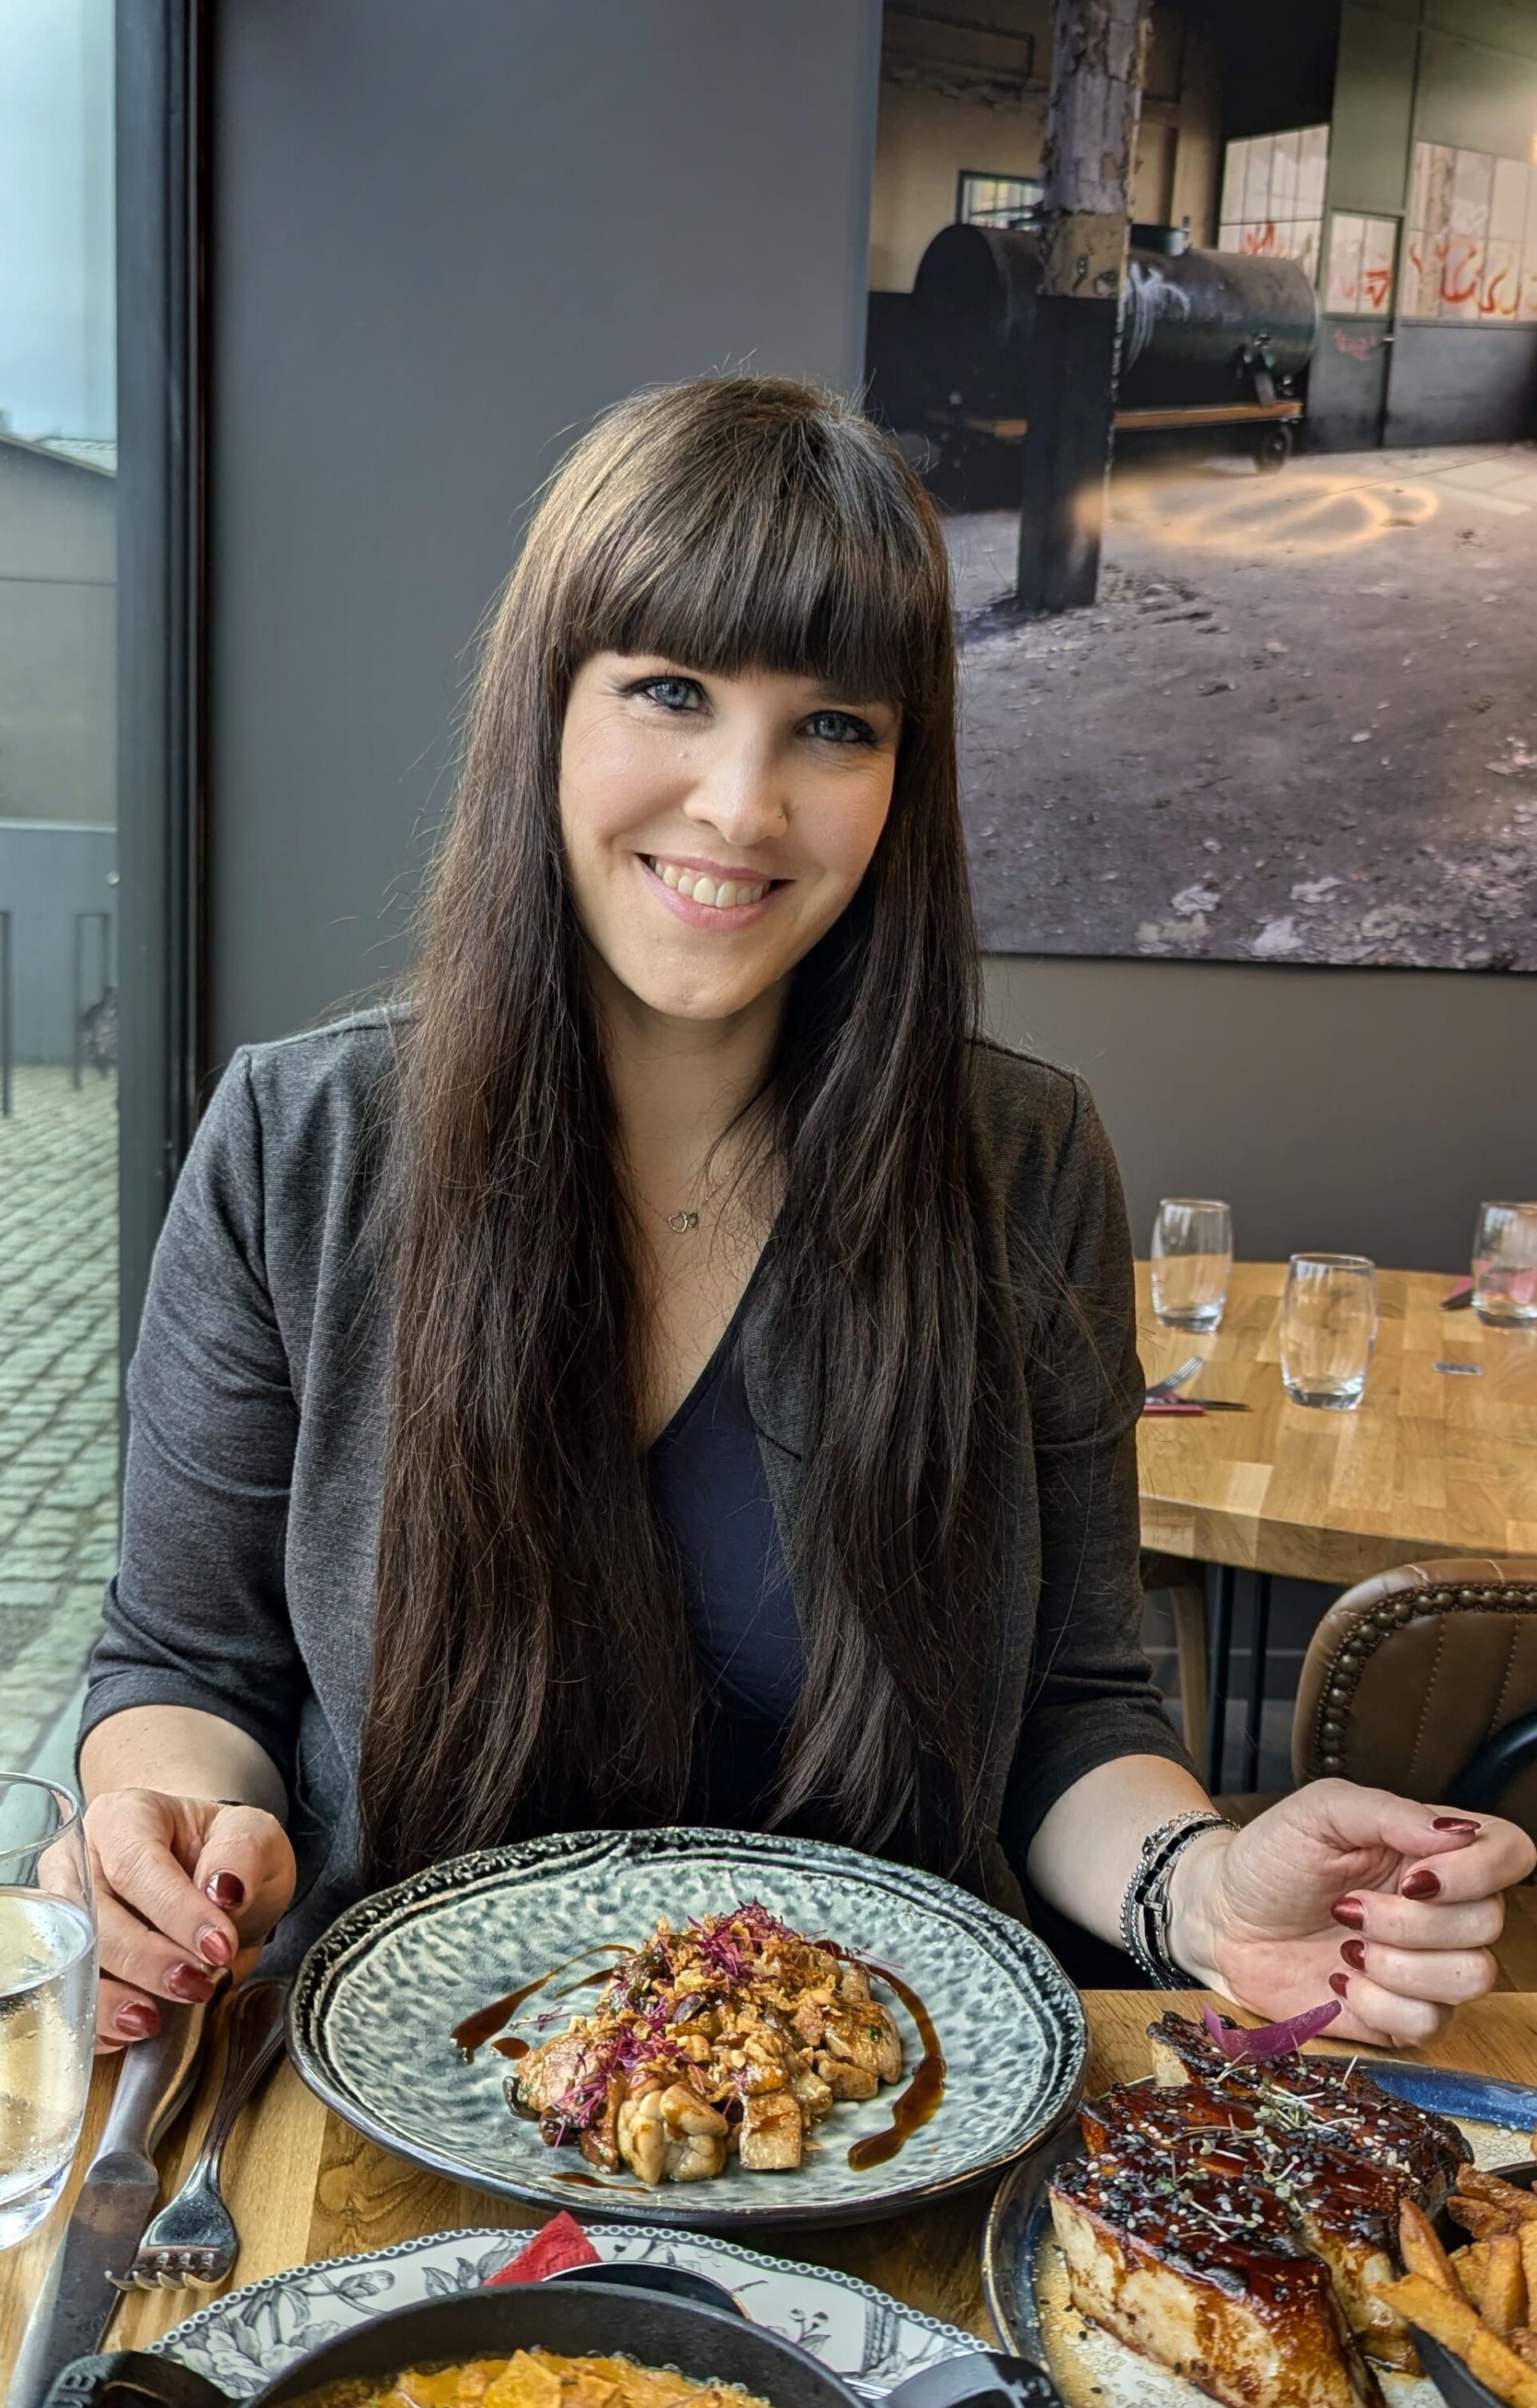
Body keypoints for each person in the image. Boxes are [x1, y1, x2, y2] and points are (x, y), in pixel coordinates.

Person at [77, 375, 1531, 2056]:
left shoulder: (1027, 1160)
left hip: (897, 2106)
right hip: (396, 2096)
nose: (742, 804)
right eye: (671, 692)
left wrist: (1200, 1890)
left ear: (906, 773)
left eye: (836, 726)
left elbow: (1071, 1707)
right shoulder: (298, 1145)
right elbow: (187, 1663)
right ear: (545, 710)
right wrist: (173, 1835)